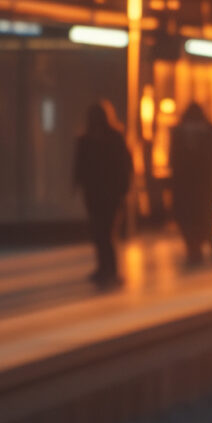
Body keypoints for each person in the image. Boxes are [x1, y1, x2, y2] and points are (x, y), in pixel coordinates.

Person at [73, 101, 134, 285]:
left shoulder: (92, 140)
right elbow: (126, 166)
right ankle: (106, 268)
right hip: (105, 193)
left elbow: (80, 167)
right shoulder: (111, 138)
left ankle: (108, 269)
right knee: (102, 232)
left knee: (103, 232)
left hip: (103, 193)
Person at [170, 101, 212, 264]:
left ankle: (193, 249)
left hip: (184, 185)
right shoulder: (209, 131)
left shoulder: (178, 133)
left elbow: (173, 159)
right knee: (206, 217)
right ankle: (210, 247)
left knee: (188, 218)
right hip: (205, 184)